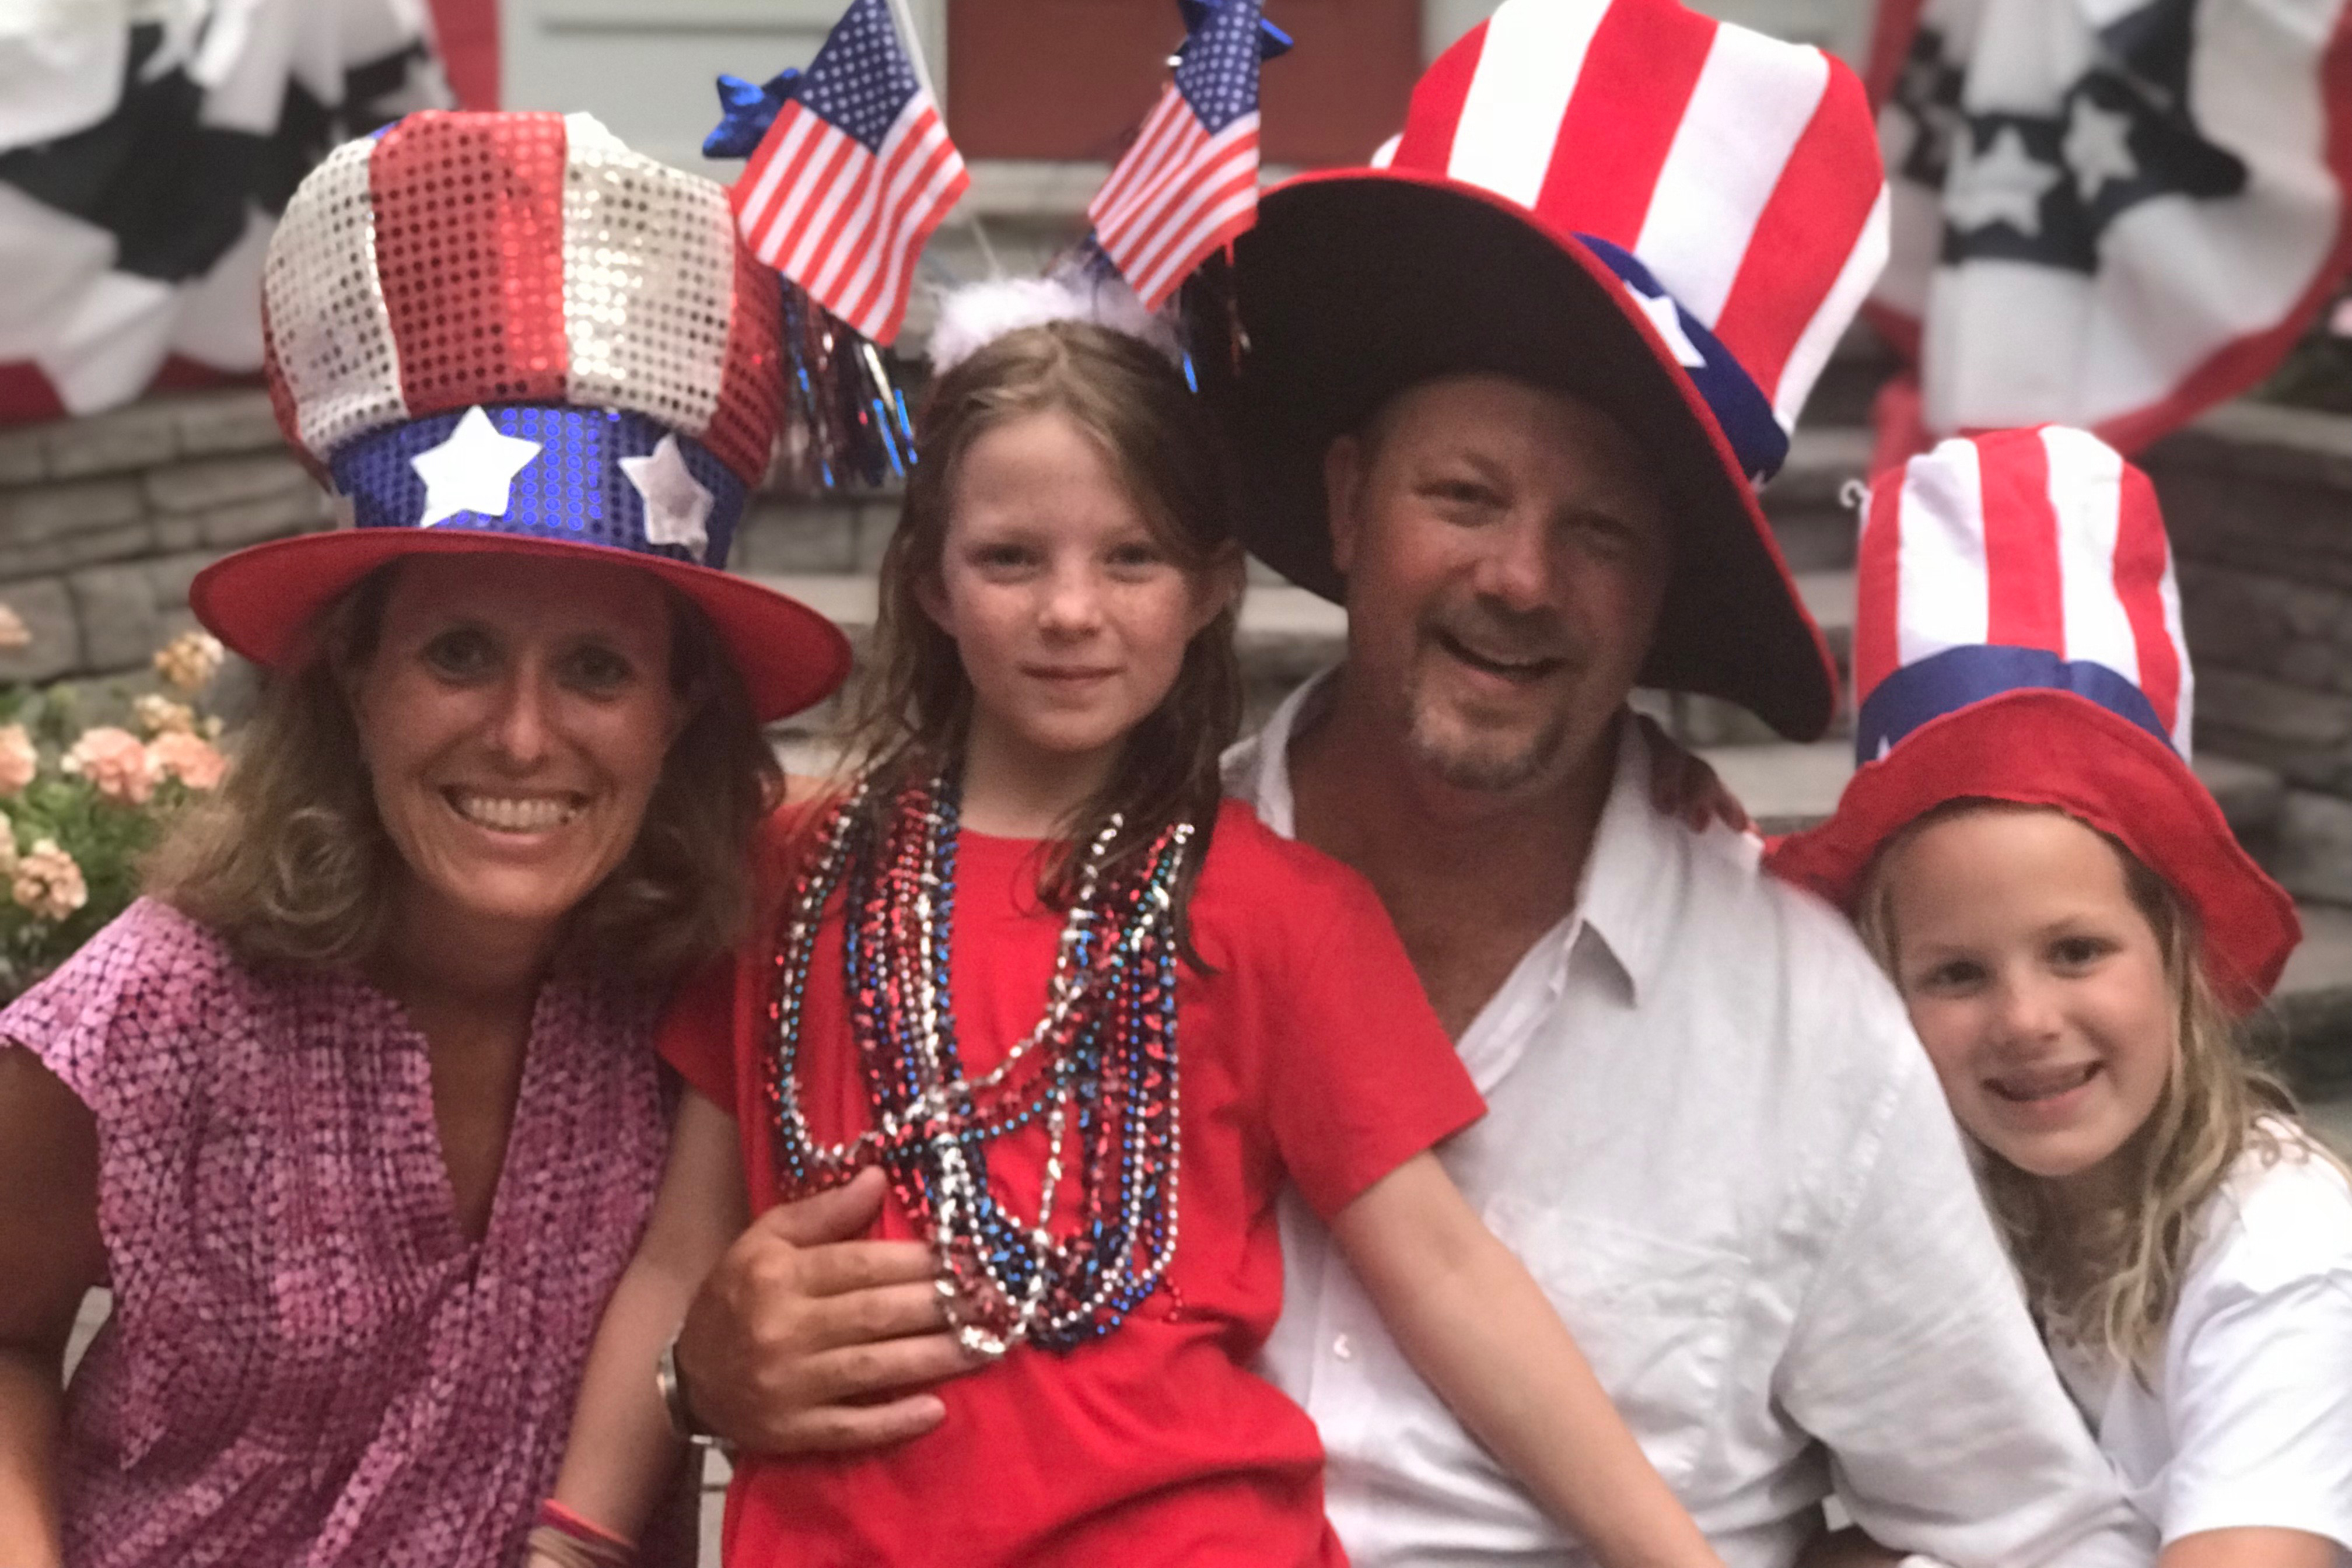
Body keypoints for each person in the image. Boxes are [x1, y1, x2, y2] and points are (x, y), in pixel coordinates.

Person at [660, 2, 2154, 1566]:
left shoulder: (1795, 1027)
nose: (1520, 578)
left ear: (1661, 599)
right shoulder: (1034, 891)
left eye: (1599, 535)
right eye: (1467, 495)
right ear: (1348, 498)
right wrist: (701, 1369)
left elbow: (2037, 1536)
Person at [533, 293, 1737, 1568]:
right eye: (1011, 559)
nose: (1070, 611)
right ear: (932, 581)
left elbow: (1443, 1272)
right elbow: (681, 1259)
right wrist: (578, 1546)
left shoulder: (1280, 909)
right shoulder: (792, 875)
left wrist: (1675, 1557)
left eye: (1132, 559)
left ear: (1212, 586)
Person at [0, 108, 849, 1568]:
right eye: (459, 653)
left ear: (678, 706)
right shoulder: (153, 1012)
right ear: (352, 669)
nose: (523, 739)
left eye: (596, 669)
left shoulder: (714, 1004)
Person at [1769, 428, 2352, 1568]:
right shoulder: (1915, 1205)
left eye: (2079, 951)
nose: (2026, 1020)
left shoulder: (2281, 1246)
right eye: (1954, 973)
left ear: (2180, 955)